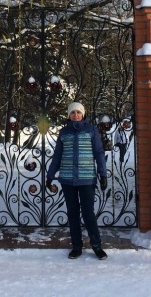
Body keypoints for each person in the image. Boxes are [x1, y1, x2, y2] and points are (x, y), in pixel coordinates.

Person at [46, 101, 108, 260]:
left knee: (88, 214)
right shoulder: (64, 132)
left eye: (78, 112)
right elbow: (57, 155)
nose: (76, 115)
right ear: (69, 115)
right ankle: (76, 247)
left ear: (83, 114)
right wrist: (50, 175)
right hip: (67, 179)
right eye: (73, 112)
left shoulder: (91, 130)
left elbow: (99, 152)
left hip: (87, 179)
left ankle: (97, 246)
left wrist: (103, 174)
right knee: (72, 213)